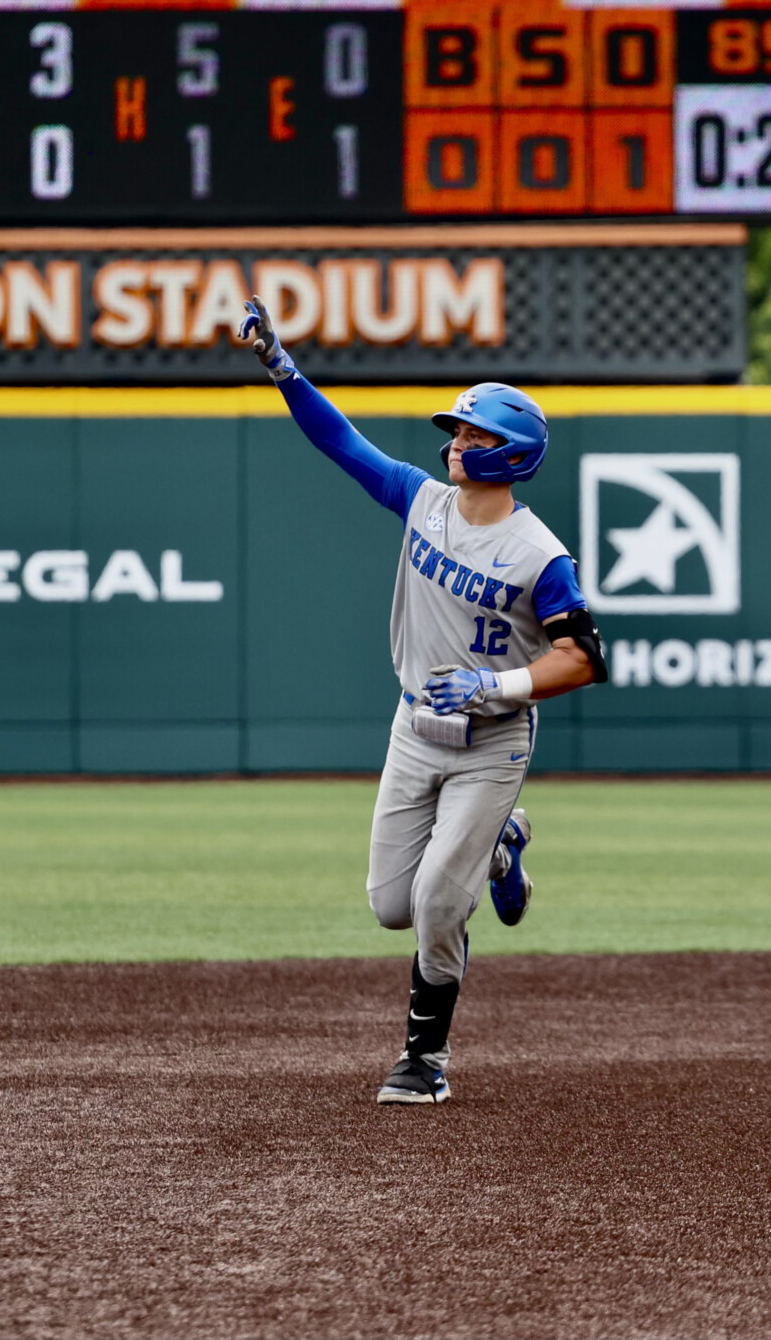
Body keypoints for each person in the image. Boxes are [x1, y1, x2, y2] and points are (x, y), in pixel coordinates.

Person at [240, 297, 607, 1104]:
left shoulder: (539, 554)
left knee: (442, 900)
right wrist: (281, 366)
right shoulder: (421, 500)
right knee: (390, 907)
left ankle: (424, 1061)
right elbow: (340, 441)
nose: (456, 443)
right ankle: (502, 845)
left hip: (493, 739)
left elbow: (584, 657)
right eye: (459, 430)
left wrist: (496, 684)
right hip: (414, 727)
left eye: (474, 436)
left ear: (509, 455)